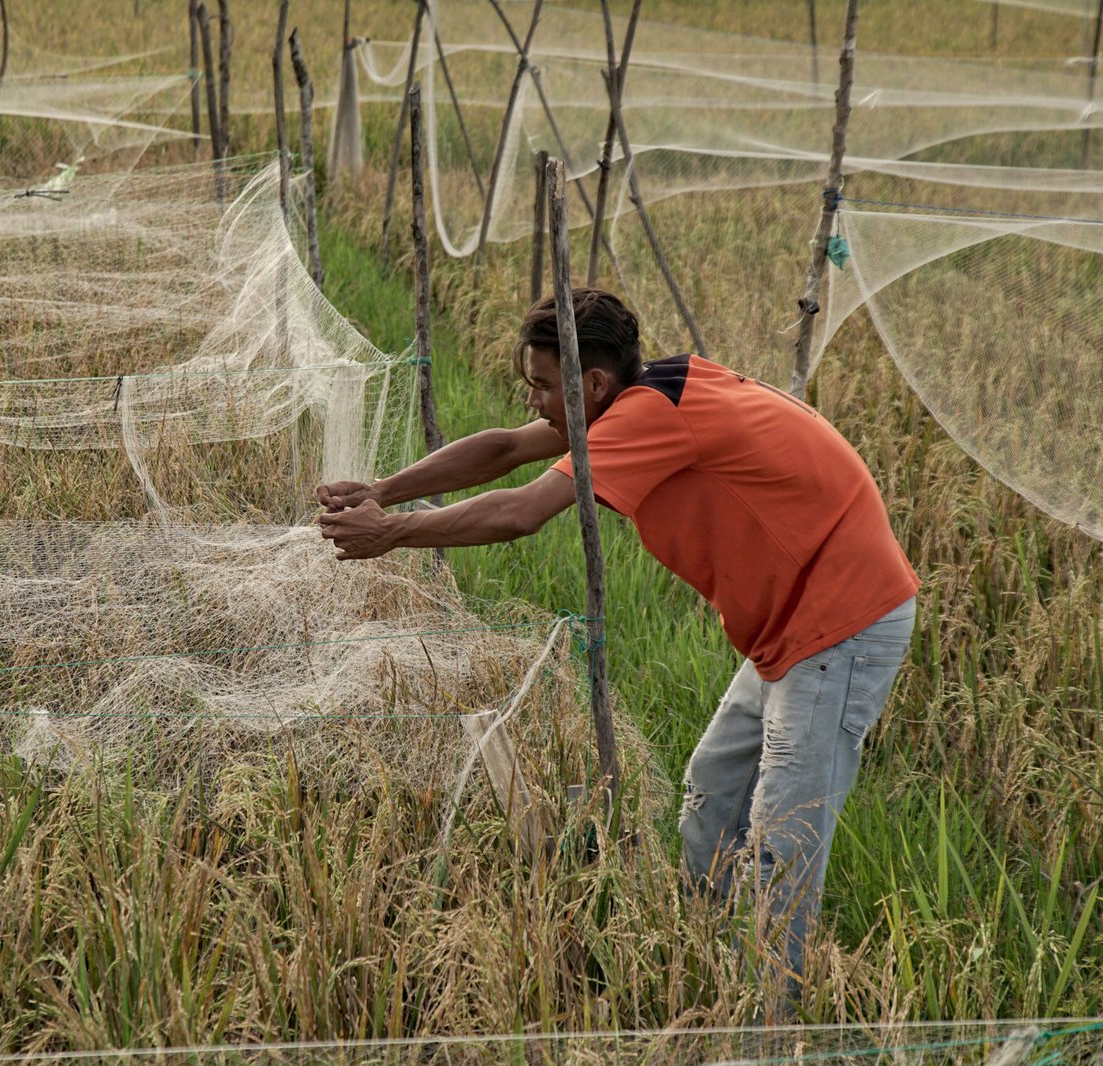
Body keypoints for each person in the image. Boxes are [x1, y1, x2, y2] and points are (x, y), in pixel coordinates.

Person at [317, 287, 918, 1001]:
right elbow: (508, 449)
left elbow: (520, 512)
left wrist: (391, 534)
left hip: (841, 623)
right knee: (710, 804)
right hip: (788, 626)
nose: (534, 401)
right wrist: (382, 491)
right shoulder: (640, 396)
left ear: (591, 383)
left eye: (542, 384)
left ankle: (764, 1026)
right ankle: (714, 975)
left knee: (781, 847)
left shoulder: (647, 418)